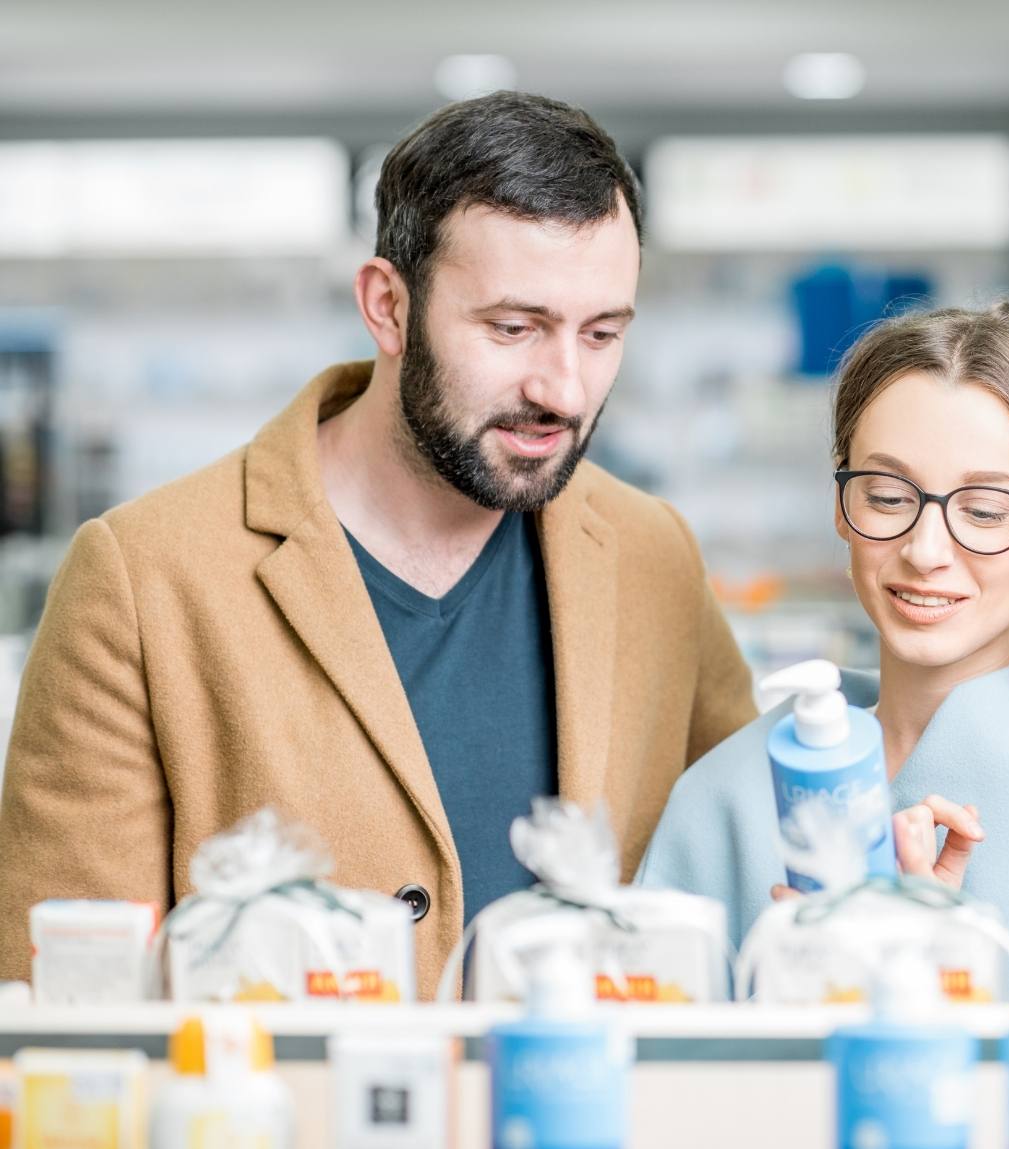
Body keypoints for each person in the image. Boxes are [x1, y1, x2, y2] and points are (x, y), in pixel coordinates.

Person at [0, 92, 756, 995]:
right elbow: (66, 1012)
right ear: (388, 306)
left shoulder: (652, 552)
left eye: (601, 334)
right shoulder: (143, 578)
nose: (564, 389)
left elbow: (750, 876)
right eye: (514, 328)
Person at [638, 302, 1009, 946]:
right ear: (840, 503)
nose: (926, 551)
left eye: (983, 510)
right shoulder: (732, 798)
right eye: (888, 497)